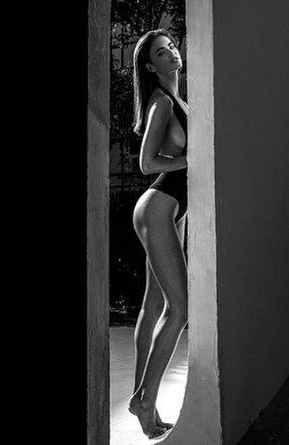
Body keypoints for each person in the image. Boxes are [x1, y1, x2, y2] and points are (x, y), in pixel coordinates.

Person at [127, 29, 188, 439]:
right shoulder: (161, 102)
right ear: (151, 66)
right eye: (161, 53)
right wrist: (195, 157)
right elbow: (147, 164)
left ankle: (141, 401)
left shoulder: (181, 101)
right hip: (158, 206)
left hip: (173, 210)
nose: (172, 54)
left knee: (153, 307)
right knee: (179, 310)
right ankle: (145, 400)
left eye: (172, 47)